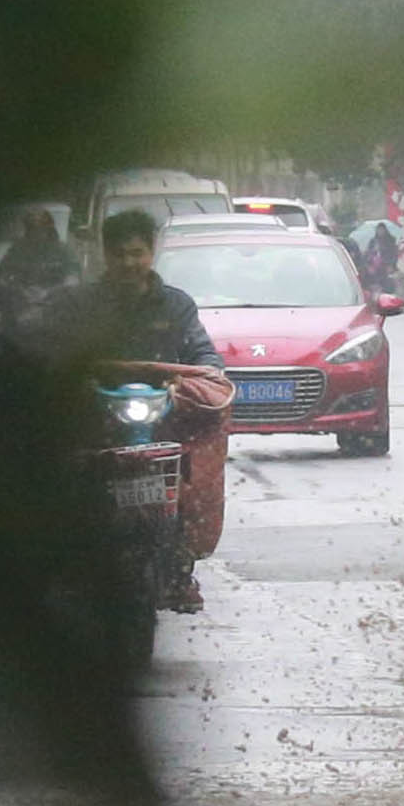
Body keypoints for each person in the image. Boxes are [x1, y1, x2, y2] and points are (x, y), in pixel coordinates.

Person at [75, 207, 235, 609]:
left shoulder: (177, 306)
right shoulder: (82, 305)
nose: (129, 263)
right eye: (119, 255)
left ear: (150, 253)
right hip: (97, 419)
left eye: (137, 253)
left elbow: (203, 353)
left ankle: (181, 570)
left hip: (163, 419)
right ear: (105, 256)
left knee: (191, 478)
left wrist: (205, 376)